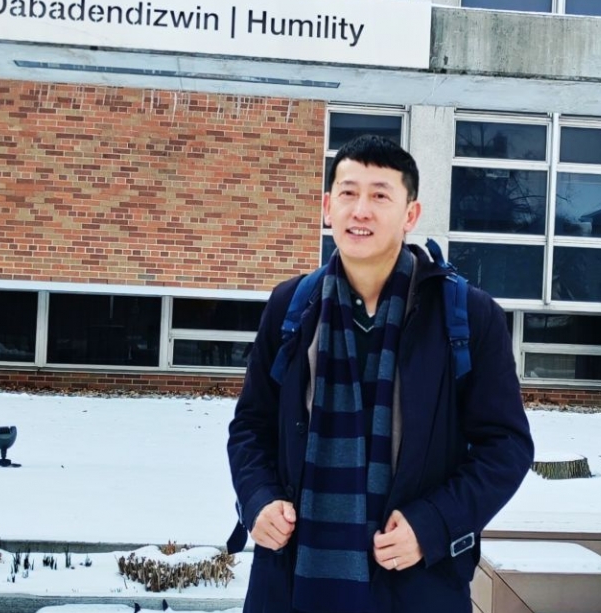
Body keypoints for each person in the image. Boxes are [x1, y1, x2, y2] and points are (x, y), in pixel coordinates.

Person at [226, 135, 533, 613]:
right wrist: (259, 499)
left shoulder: (468, 316)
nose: (361, 210)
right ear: (328, 207)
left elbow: (506, 448)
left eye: (380, 195)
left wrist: (432, 525)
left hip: (415, 585)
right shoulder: (291, 307)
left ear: (410, 214)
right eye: (348, 193)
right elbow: (251, 427)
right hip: (291, 583)